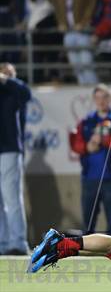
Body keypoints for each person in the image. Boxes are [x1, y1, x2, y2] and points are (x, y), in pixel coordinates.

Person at [69, 84, 111, 236]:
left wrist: (102, 140)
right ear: (93, 99)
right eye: (98, 98)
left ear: (110, 98)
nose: (101, 101)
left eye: (105, 97)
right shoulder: (87, 121)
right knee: (88, 223)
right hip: (90, 178)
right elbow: (76, 143)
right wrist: (87, 147)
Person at [0, 63, 31, 255]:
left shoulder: (14, 91)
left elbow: (26, 93)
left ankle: (18, 242)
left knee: (11, 197)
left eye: (8, 73)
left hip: (9, 149)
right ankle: (2, 242)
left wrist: (7, 80)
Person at [43, 0, 99, 85]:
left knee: (86, 63)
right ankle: (83, 89)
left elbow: (92, 6)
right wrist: (61, 22)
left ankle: (93, 89)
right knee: (76, 66)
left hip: (83, 32)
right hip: (68, 33)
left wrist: (83, 23)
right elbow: (55, 6)